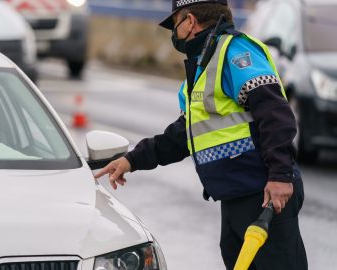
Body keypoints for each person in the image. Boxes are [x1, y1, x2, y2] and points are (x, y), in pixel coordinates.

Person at [94, 0, 307, 269]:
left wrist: (279, 176)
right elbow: (183, 135)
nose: (175, 34)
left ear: (191, 21)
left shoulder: (235, 52)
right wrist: (132, 160)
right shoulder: (202, 68)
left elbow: (276, 114)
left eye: (176, 25)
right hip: (235, 196)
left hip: (263, 194)